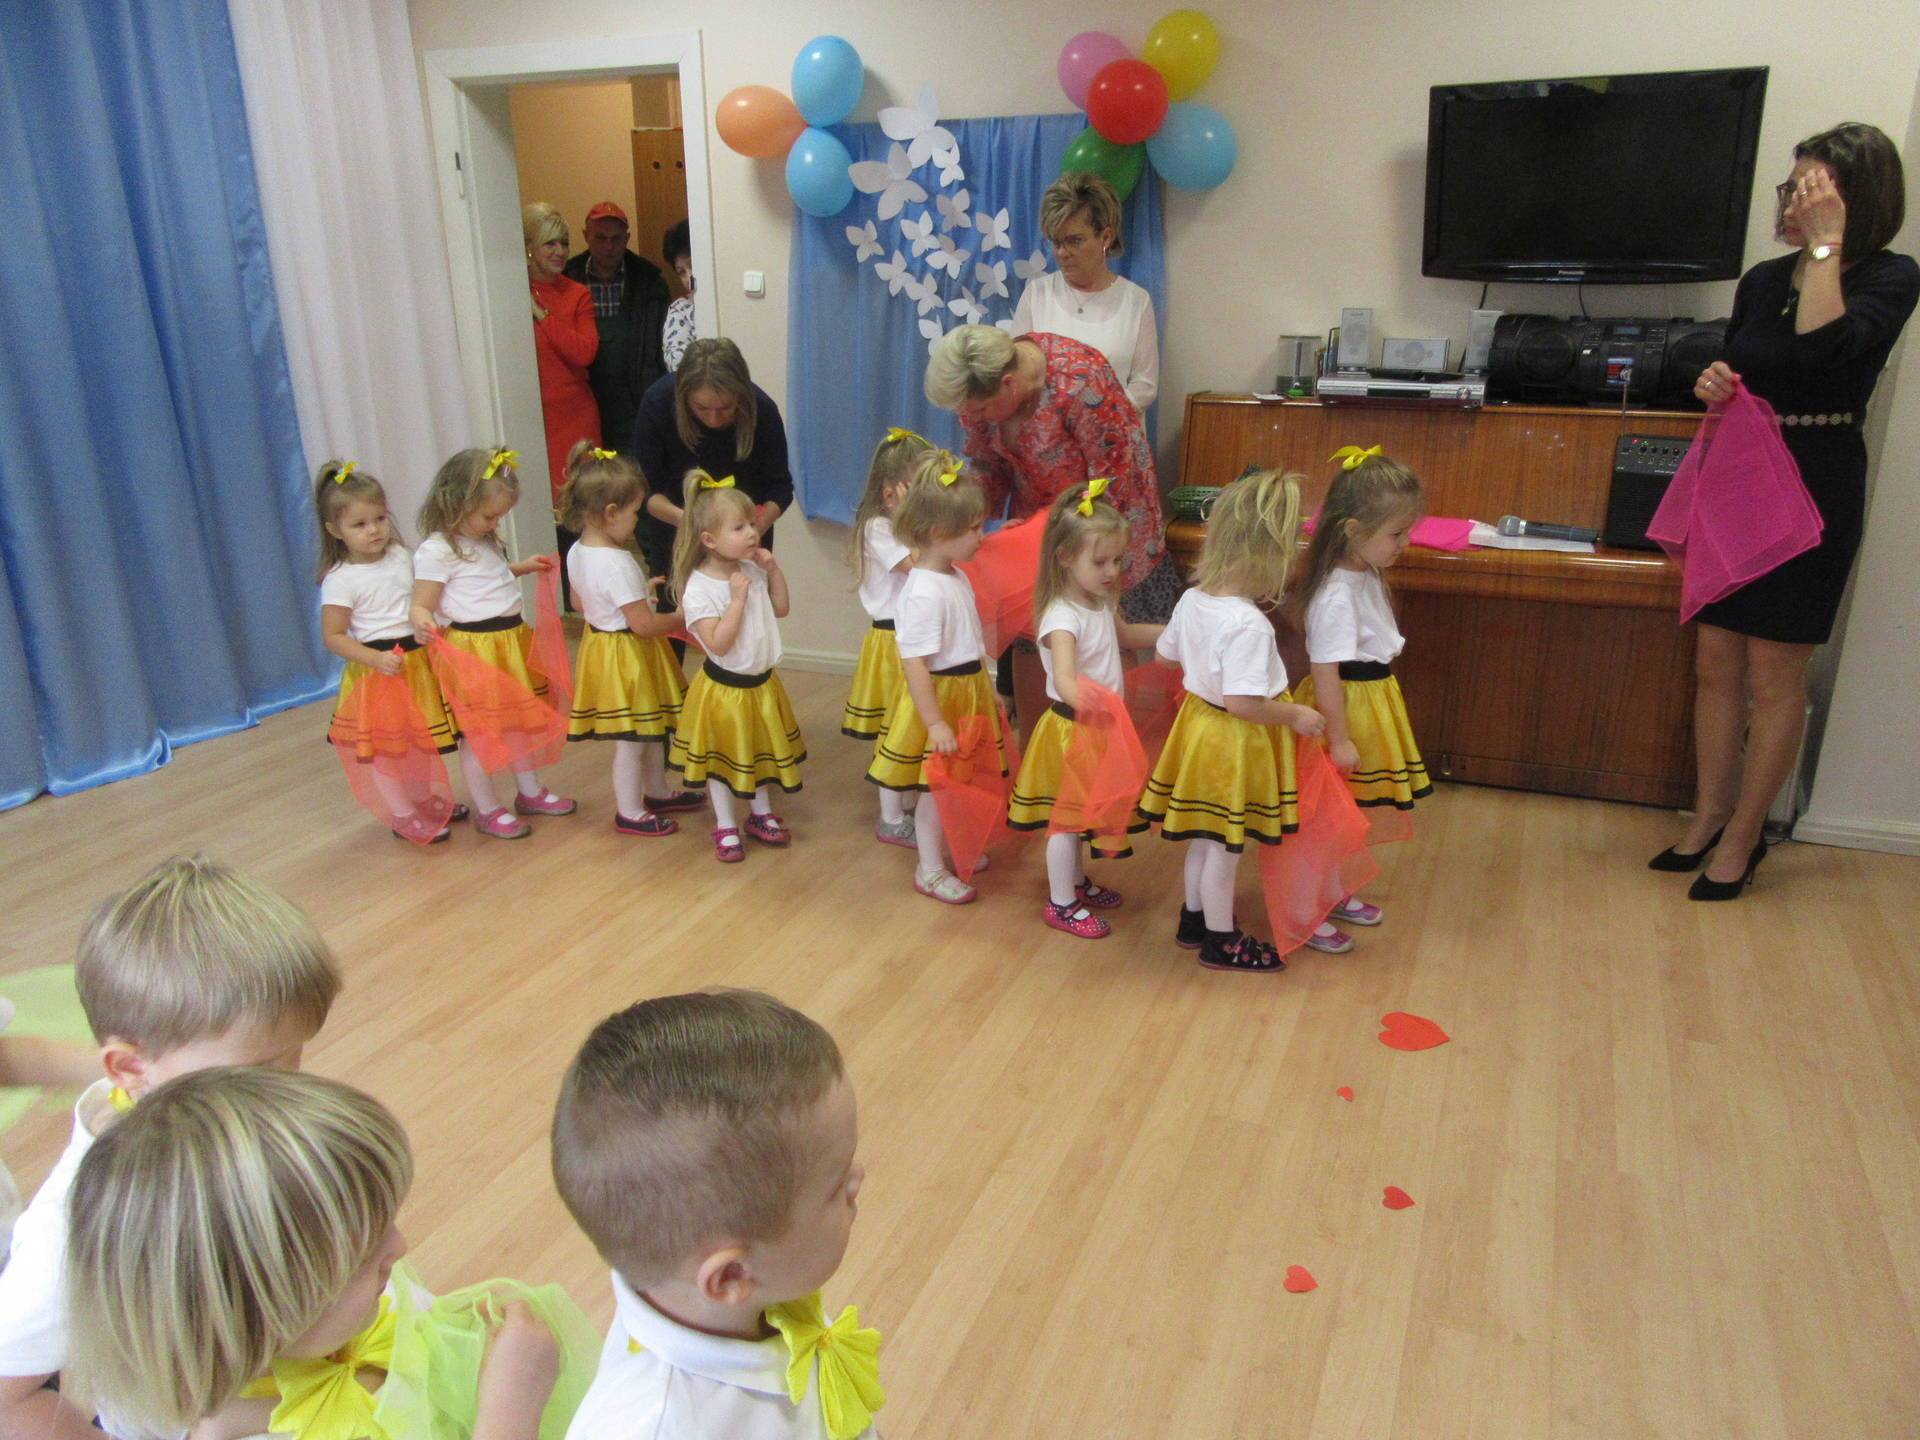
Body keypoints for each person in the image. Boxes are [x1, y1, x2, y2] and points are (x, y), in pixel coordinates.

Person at [0, 855, 342, 1440]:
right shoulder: (80, 1229)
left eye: (296, 1055)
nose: (291, 1088)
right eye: (261, 1070)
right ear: (132, 1068)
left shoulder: (210, 1108)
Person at [1662, 123, 1917, 900]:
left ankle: (1745, 838)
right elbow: (1744, 359)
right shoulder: (1763, 278)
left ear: (1855, 199)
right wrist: (1713, 379)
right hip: (1742, 475)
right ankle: (1708, 815)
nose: (1793, 202)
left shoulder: (1892, 275)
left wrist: (1825, 249)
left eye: (1812, 189)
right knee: (1715, 662)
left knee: (1776, 674)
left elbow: (1826, 349)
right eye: (1792, 186)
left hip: (1817, 480)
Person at [64, 1068, 596, 1440]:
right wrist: (508, 1416)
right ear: (257, 1316)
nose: (399, 1248)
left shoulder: (330, 1324)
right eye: (363, 1256)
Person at [552, 990, 882, 1440]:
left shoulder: (758, 1296)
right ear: (731, 1276)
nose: (857, 1179)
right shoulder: (654, 1425)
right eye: (836, 1186)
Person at [1133, 469, 1327, 974]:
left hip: (1199, 728)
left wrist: (1201, 656)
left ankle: (1194, 919)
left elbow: (1165, 657)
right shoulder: (1248, 624)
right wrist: (1295, 714)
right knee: (1226, 846)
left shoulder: (1193, 599)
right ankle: (1221, 941)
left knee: (1204, 836)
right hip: (1232, 741)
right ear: (1269, 554)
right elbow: (1244, 703)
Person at [924, 323, 1172, 620]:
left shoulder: (1081, 380)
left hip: (1105, 530)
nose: (972, 418)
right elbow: (987, 466)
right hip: (1038, 532)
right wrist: (957, 516)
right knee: (1044, 627)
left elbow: (1113, 480)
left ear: (1008, 383)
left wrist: (1073, 544)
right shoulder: (980, 396)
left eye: (979, 410)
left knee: (1102, 629)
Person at [1007, 479, 1166, 939]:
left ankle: (1075, 883)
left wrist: (1175, 632)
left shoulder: (1098, 602)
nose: (1112, 571)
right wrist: (1087, 700)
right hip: (1073, 729)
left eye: (1117, 560)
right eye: (1100, 562)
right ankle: (1061, 903)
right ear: (1063, 557)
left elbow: (1127, 636)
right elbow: (1063, 677)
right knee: (1066, 820)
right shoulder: (1061, 616)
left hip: (1099, 729)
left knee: (1082, 815)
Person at [1291, 446, 1431, 951]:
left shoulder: (1364, 574)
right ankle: (1304, 911)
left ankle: (1330, 892)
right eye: (1396, 534)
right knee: (1324, 818)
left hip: (1369, 700)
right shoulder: (1335, 594)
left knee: (1344, 814)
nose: (1405, 543)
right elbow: (1324, 669)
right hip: (1345, 707)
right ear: (1352, 530)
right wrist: (1340, 738)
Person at [865, 456, 1010, 907]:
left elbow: (969, 642)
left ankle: (951, 847)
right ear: (937, 533)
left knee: (961, 782)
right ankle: (929, 869)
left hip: (967, 690)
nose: (981, 537)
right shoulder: (924, 590)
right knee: (935, 789)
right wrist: (934, 723)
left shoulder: (955, 576)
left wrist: (987, 689)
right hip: (942, 697)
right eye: (973, 528)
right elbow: (915, 664)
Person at [411, 447, 575, 840]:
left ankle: (529, 792)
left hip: (510, 640)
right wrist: (421, 621)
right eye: (488, 516)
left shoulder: (481, 539)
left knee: (518, 722)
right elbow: (421, 603)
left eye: (498, 516)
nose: (494, 523)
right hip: (475, 650)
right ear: (456, 503)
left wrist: (520, 567)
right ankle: (487, 809)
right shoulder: (437, 550)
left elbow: (486, 579)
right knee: (478, 733)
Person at [315, 459, 465, 844]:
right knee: (387, 751)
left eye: (380, 519)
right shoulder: (340, 579)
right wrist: (375, 659)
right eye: (360, 524)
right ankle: (402, 814)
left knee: (418, 742)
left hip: (416, 663)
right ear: (335, 530)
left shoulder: (401, 556)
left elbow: (417, 600)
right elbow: (333, 636)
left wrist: (427, 625)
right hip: (378, 671)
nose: (374, 530)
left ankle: (422, 799)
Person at [557, 443, 703, 837]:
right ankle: (630, 811)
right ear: (610, 512)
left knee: (648, 727)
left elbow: (578, 603)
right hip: (629, 654)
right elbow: (644, 625)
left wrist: (635, 594)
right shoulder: (617, 562)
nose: (636, 521)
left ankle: (656, 792)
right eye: (635, 512)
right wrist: (680, 616)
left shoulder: (577, 550)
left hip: (602, 648)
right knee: (633, 739)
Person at [665, 471, 805, 862]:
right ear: (709, 540)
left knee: (756, 752)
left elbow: (781, 608)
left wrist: (773, 571)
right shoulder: (699, 587)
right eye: (739, 527)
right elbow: (717, 642)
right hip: (724, 692)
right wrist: (737, 600)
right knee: (722, 762)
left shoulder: (752, 571)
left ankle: (760, 814)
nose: (752, 533)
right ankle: (726, 824)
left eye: (752, 524)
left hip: (761, 685)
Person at [633, 338, 794, 600]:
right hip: (678, 537)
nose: (714, 419)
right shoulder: (658, 404)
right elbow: (647, 490)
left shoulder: (762, 410)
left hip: (743, 545)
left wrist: (750, 530)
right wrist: (691, 524)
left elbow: (780, 488)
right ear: (683, 396)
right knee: (678, 609)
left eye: (726, 408)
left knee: (748, 610)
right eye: (702, 408)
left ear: (741, 395)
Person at [840, 427, 935, 848]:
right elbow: (918, 565)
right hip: (892, 641)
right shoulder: (879, 528)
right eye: (921, 490)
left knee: (911, 724)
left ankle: (905, 803)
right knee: (894, 727)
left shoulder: (903, 526)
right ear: (892, 493)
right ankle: (891, 816)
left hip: (911, 638)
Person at [1013, 172, 1159, 412]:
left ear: (1106, 237)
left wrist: (1098, 418)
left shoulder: (1136, 301)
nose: (1062, 253)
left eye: (1074, 241)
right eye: (1056, 242)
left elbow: (1145, 385)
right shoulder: (1036, 295)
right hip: (1047, 432)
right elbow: (1016, 373)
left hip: (1112, 431)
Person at [562, 202, 670, 457]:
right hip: (582, 403)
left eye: (616, 239)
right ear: (585, 236)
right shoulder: (566, 281)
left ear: (627, 239)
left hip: (635, 404)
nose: (608, 247)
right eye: (600, 238)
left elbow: (661, 351)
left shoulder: (650, 283)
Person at [524, 203, 601, 536]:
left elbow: (584, 352)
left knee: (580, 510)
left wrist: (541, 314)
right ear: (529, 248)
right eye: (550, 243)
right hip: (533, 417)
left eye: (564, 243)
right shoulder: (510, 293)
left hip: (575, 415)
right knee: (537, 512)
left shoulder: (577, 294)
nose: (560, 251)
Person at [662, 217, 697, 374]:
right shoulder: (680, 310)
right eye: (681, 272)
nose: (689, 277)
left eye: (692, 265)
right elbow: (678, 366)